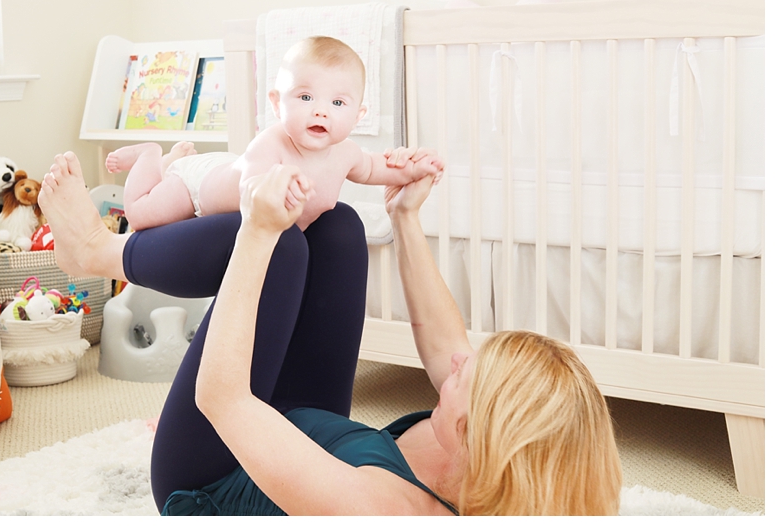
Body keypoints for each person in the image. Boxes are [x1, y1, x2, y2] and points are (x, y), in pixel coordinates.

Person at [38, 150, 622, 515]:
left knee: (280, 245)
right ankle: (109, 248)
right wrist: (405, 216)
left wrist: (257, 231)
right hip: (303, 434)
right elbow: (447, 345)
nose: (459, 361)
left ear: (479, 433)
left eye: (468, 375)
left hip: (212, 476)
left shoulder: (386, 511)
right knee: (338, 227)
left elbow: (222, 399)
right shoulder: (488, 465)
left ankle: (97, 251)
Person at [105, 35, 443, 232]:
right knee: (141, 216)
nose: (321, 111)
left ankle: (170, 160)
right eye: (306, 97)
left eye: (338, 102)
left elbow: (376, 169)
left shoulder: (347, 154)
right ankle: (152, 155)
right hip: (197, 186)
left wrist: (416, 168)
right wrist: (278, 187)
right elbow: (250, 188)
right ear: (277, 104)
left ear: (358, 116)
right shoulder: (271, 143)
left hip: (227, 168)